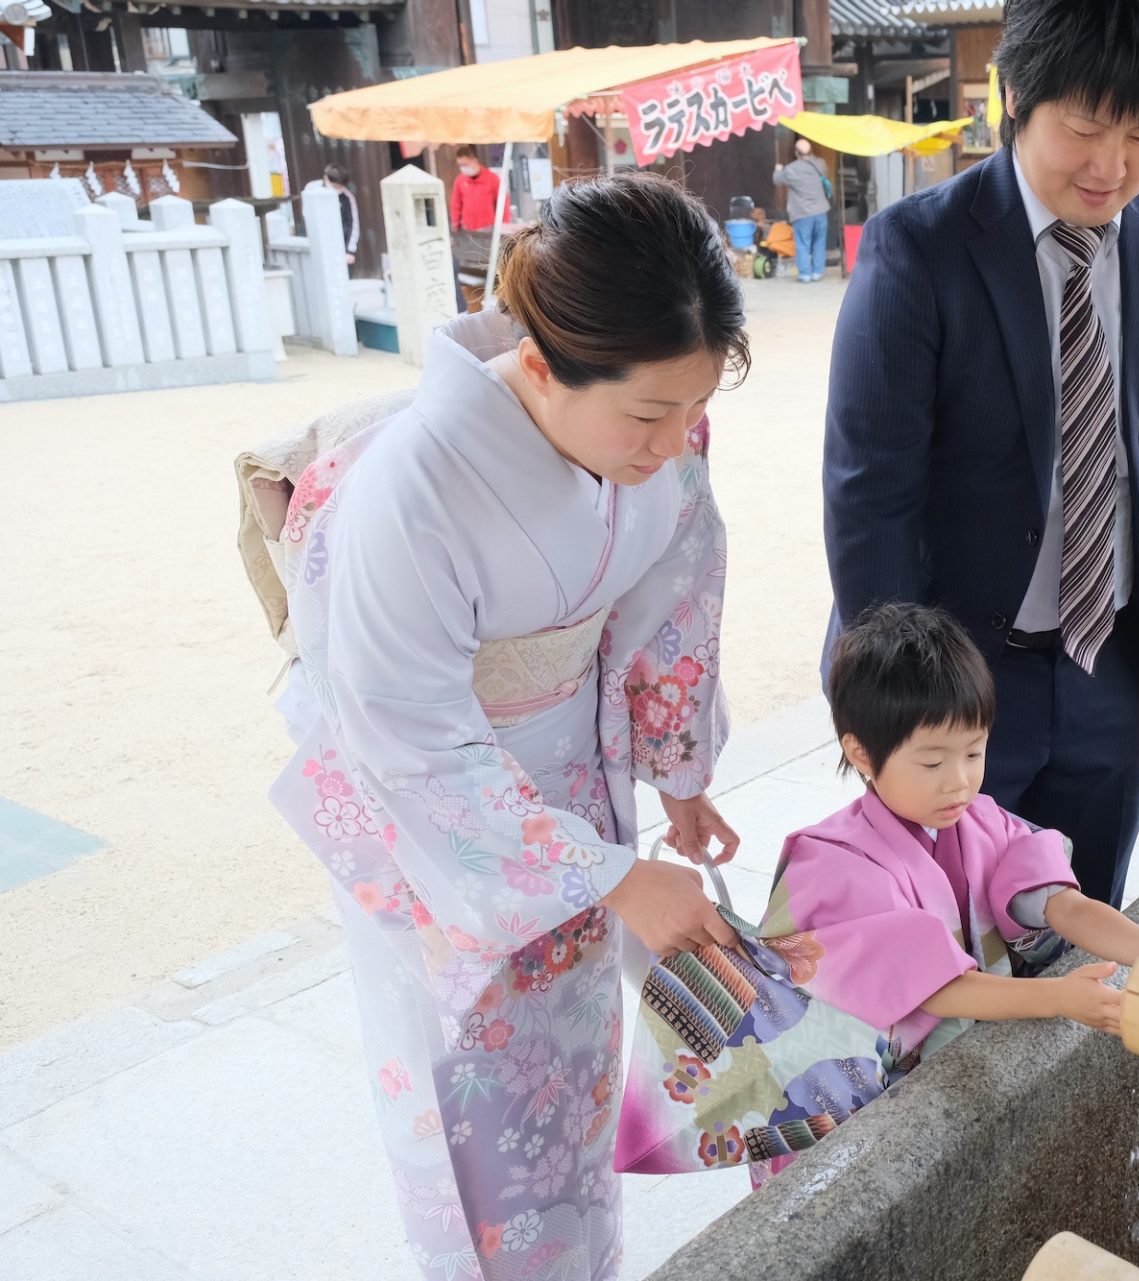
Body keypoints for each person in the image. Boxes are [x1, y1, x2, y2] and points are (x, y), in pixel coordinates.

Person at [267, 171, 746, 1281]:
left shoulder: (660, 436)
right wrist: (610, 880)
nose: (677, 442)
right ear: (539, 366)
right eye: (648, 414)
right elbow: (410, 737)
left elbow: (675, 583)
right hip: (444, 838)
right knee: (470, 1106)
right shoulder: (413, 489)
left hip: (573, 779)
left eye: (696, 408)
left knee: (570, 1088)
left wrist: (678, 771)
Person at [822, 0, 1139, 908]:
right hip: (957, 677)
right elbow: (870, 491)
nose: (1110, 165)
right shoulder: (919, 247)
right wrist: (899, 705)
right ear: (1016, 95)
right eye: (1083, 127)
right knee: (947, 944)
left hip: (1108, 669)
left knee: (1084, 922)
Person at [753, 603, 1139, 1170]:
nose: (960, 781)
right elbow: (931, 986)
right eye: (932, 762)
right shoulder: (832, 863)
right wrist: (1061, 999)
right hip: (855, 1116)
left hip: (939, 1086)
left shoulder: (981, 821)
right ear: (861, 753)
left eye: (974, 752)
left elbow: (1065, 906)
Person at [450, 144, 511, 311]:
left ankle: (497, 304)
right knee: (469, 274)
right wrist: (455, 225)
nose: (463, 168)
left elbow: (502, 202)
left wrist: (503, 224)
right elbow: (455, 204)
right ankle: (473, 306)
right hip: (467, 233)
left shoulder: (492, 178)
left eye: (465, 164)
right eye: (460, 165)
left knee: (491, 271)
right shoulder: (460, 181)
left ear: (474, 160)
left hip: (488, 232)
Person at [772, 137, 830, 282]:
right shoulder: (820, 164)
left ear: (796, 153)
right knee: (819, 242)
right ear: (811, 151)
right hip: (821, 211)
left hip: (803, 214)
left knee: (803, 244)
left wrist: (778, 170)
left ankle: (805, 274)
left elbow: (777, 180)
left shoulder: (791, 170)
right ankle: (818, 272)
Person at [323, 162, 359, 266]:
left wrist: (350, 251)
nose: (338, 189)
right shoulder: (314, 191)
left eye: (340, 186)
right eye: (335, 186)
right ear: (326, 179)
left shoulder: (347, 198)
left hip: (341, 247)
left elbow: (353, 224)